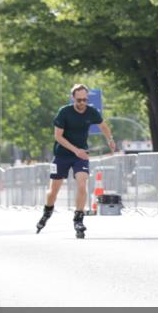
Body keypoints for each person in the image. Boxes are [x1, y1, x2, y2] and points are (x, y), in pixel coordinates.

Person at [36, 84, 116, 238]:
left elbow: (103, 126)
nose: (82, 103)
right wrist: (75, 150)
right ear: (73, 98)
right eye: (79, 100)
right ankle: (48, 210)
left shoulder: (91, 111)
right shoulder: (64, 112)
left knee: (82, 184)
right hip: (62, 155)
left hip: (81, 156)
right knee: (53, 191)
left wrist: (110, 140)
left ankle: (78, 218)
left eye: (85, 100)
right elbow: (58, 137)